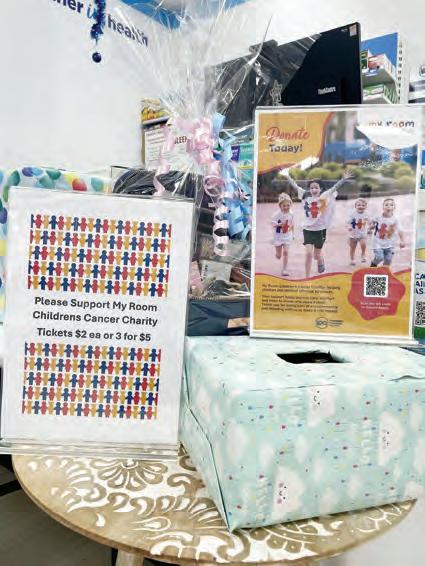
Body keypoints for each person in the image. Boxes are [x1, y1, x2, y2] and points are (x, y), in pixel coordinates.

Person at [285, 169, 353, 278]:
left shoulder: (324, 196)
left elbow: (334, 187)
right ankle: (307, 277)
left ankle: (321, 261)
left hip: (320, 230)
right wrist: (287, 176)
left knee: (316, 256)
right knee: (308, 254)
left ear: (320, 189)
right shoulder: (305, 195)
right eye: (312, 188)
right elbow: (294, 186)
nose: (314, 189)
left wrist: (343, 179)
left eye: (316, 187)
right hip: (307, 229)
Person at [370, 198, 405, 267]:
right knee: (379, 257)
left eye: (391, 205)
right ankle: (373, 264)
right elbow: (372, 222)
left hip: (390, 243)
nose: (389, 206)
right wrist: (371, 226)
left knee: (388, 260)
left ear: (394, 207)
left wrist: (402, 240)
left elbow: (400, 230)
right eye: (386, 205)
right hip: (377, 242)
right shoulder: (378, 217)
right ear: (383, 207)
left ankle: (384, 271)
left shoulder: (395, 219)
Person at [271, 193, 294, 276]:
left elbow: (292, 224)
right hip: (278, 236)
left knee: (286, 252)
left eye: (288, 205)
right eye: (284, 206)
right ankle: (277, 253)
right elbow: (272, 224)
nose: (286, 207)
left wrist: (293, 234)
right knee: (279, 255)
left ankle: (284, 269)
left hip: (287, 235)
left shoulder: (291, 214)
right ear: (280, 206)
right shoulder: (276, 215)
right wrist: (279, 224)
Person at [347, 198, 369, 266]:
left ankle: (363, 254)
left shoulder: (366, 215)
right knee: (352, 248)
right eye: (359, 205)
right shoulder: (353, 214)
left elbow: (370, 222)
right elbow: (348, 222)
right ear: (355, 206)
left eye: (363, 205)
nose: (361, 206)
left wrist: (371, 226)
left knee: (363, 244)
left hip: (362, 234)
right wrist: (349, 227)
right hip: (353, 235)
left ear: (366, 207)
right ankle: (352, 259)